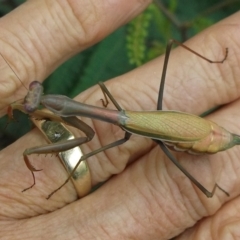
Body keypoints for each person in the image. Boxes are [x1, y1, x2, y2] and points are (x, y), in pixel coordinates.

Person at [0, 1, 239, 239]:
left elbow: (86, 139)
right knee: (169, 46)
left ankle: (211, 189)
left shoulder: (82, 118)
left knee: (203, 192)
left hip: (197, 137)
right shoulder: (92, 102)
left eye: (35, 93)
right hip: (184, 127)